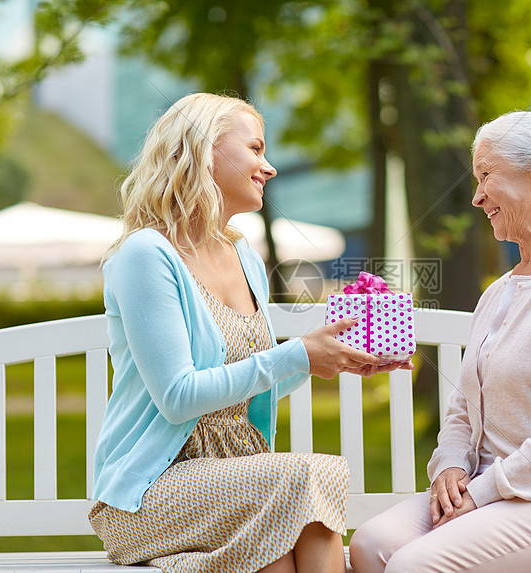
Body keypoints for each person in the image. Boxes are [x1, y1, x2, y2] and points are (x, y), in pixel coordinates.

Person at [88, 93, 411, 573]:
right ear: (203, 151)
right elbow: (178, 396)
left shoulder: (244, 258)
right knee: (310, 474)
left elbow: (250, 385)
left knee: (280, 551)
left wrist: (328, 358)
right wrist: (296, 355)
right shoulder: (146, 255)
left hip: (243, 480)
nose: (270, 167)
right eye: (256, 149)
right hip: (151, 490)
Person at [349, 111, 531, 573]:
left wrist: (481, 493)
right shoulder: (499, 291)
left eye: (486, 175)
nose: (476, 196)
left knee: (413, 567)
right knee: (369, 546)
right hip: (492, 488)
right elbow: (465, 403)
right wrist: (449, 466)